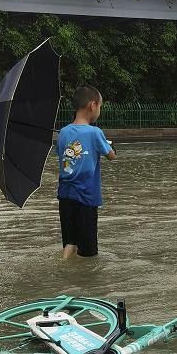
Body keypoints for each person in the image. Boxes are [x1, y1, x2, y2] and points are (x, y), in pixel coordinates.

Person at [56, 85, 116, 259]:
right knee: (88, 252)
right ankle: (87, 283)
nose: (99, 110)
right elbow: (111, 156)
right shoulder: (95, 132)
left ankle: (63, 266)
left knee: (70, 243)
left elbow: (63, 157)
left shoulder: (63, 132)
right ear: (92, 105)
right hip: (86, 198)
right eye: (100, 106)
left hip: (65, 196)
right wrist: (110, 145)